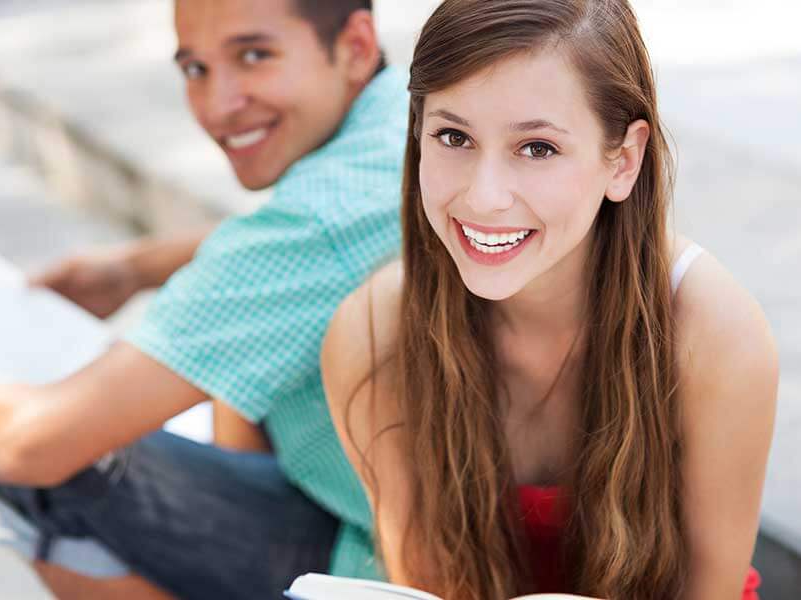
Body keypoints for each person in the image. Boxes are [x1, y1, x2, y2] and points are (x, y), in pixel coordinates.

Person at [0, 0, 408, 598]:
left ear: (354, 45)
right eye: (195, 69)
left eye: (254, 56)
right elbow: (305, 234)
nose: (217, 106)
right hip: (413, 514)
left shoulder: (317, 223)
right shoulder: (403, 116)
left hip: (375, 563)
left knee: (44, 475)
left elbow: (29, 445)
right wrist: (134, 268)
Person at [322, 0, 778, 598]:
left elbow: (708, 588)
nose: (484, 198)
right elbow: (423, 584)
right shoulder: (373, 332)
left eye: (537, 148)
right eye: (453, 136)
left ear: (624, 160)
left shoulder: (715, 335)